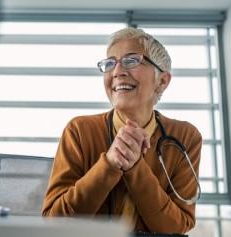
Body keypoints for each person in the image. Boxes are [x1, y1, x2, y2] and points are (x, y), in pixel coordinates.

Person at [42, 27, 202, 234]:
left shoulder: (185, 137)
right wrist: (109, 164)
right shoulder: (79, 130)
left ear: (162, 81)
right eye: (110, 63)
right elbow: (55, 222)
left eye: (131, 60)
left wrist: (136, 167)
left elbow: (176, 226)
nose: (117, 71)